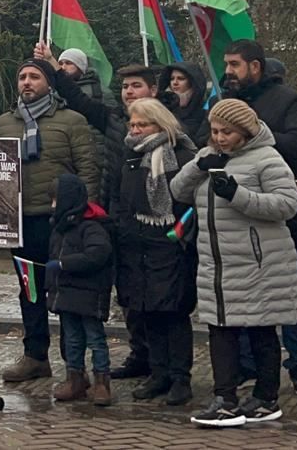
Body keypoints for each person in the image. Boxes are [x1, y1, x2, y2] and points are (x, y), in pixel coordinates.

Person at [33, 46, 168, 384]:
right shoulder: (112, 120)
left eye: (136, 86)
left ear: (152, 90)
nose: (128, 92)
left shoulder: (167, 124)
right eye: (125, 87)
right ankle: (140, 354)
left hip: (155, 223)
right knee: (128, 291)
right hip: (117, 215)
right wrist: (53, 67)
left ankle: (165, 364)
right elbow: (79, 100)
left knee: (157, 296)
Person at [172, 100, 297, 427]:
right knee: (220, 328)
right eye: (215, 131)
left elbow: (287, 204)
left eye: (227, 132)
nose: (220, 138)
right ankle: (224, 398)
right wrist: (198, 167)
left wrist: (237, 194)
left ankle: (266, 396)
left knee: (261, 329)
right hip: (216, 262)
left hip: (258, 262)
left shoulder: (267, 159)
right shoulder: (208, 156)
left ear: (245, 132)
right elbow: (177, 191)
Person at [221, 40, 297, 395]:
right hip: (237, 215)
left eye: (235, 65)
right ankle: (248, 365)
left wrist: (255, 138)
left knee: (291, 291)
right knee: (247, 295)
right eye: (227, 65)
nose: (229, 72)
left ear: (255, 66)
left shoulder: (288, 101)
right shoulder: (226, 103)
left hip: (282, 214)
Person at [0, 58, 101, 383]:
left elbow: (89, 171)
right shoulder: (3, 123)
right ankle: (35, 355)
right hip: (22, 224)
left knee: (66, 292)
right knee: (30, 291)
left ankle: (74, 365)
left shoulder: (72, 121)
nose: (27, 82)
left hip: (61, 225)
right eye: (22, 76)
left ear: (49, 83)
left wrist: (85, 218)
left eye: (35, 76)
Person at [115, 98, 198, 405]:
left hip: (170, 244)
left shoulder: (183, 154)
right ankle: (158, 373)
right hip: (136, 244)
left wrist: (180, 234)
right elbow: (118, 195)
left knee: (173, 313)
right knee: (147, 311)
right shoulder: (129, 155)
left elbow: (193, 202)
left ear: (160, 124)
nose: (136, 131)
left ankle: (180, 378)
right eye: (132, 125)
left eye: (142, 125)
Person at [47, 172, 115, 406]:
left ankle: (101, 381)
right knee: (72, 340)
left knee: (95, 339)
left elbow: (98, 254)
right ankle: (75, 378)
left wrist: (65, 265)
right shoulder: (59, 227)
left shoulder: (91, 226)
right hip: (67, 294)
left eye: (55, 200)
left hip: (88, 295)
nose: (52, 205)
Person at [159, 61, 211, 147]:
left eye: (181, 78)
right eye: (172, 79)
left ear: (192, 82)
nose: (175, 83)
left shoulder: (205, 111)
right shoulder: (161, 107)